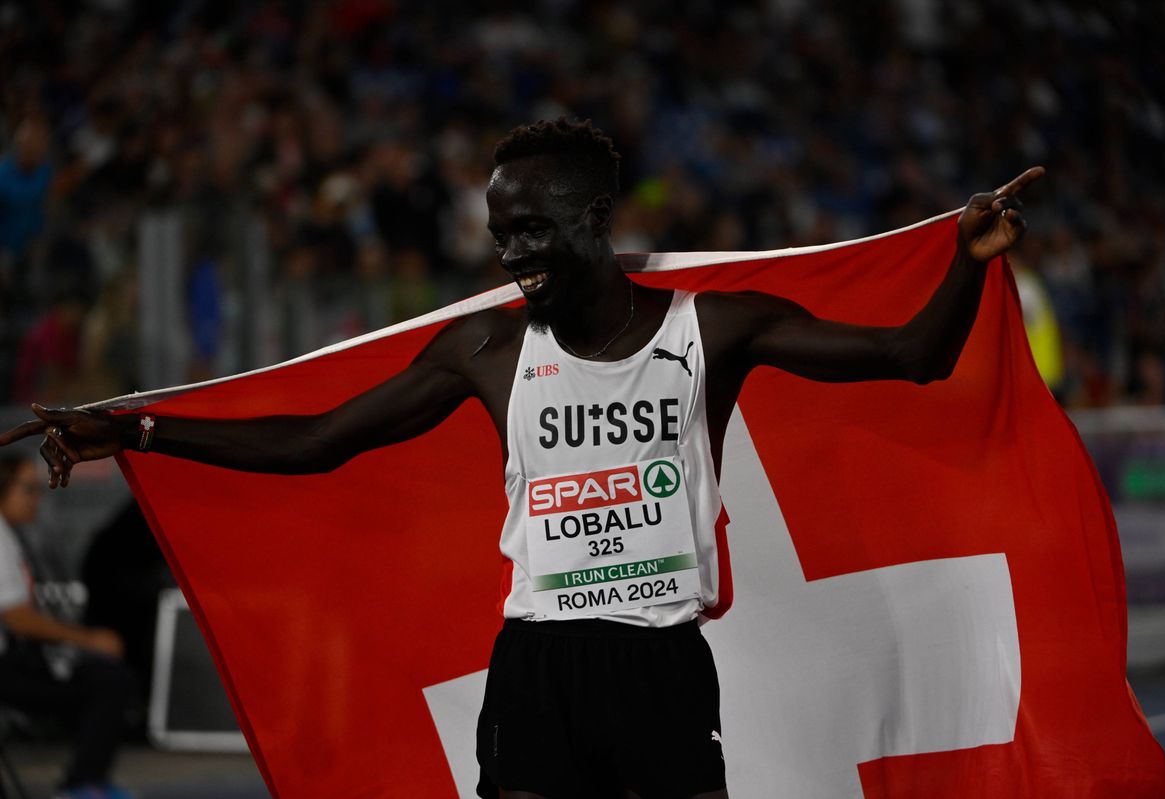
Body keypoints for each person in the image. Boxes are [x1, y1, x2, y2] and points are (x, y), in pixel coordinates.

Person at [1, 118, 1042, 799]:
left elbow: (913, 357)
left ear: (596, 218)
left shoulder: (713, 329)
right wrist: (139, 428)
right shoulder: (486, 351)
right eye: (502, 231)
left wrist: (964, 261)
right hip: (536, 664)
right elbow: (318, 439)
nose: (513, 252)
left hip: (659, 661)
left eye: (534, 228)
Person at [0, 453, 133, 799]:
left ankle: (85, 780)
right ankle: (83, 784)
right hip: (7, 666)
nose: (36, 498)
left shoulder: (11, 535)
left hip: (17, 658)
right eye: (28, 489)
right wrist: (86, 640)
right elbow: (18, 618)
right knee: (108, 680)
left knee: (100, 676)